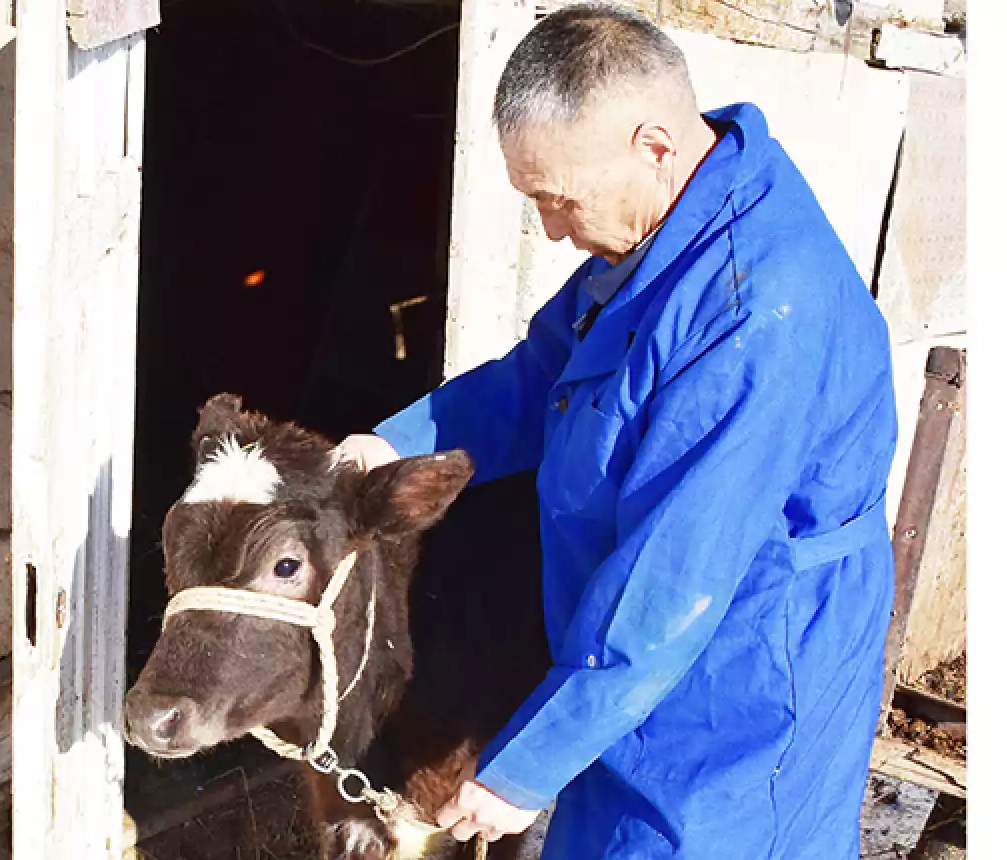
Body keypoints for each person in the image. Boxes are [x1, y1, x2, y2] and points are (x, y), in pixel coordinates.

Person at [335, 4, 899, 858]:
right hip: (624, 656)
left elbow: (677, 575)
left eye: (560, 200)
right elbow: (541, 377)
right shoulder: (657, 238)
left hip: (739, 674)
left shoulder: (754, 316)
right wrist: (400, 439)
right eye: (535, 203)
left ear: (657, 146)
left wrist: (521, 772)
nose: (554, 232)